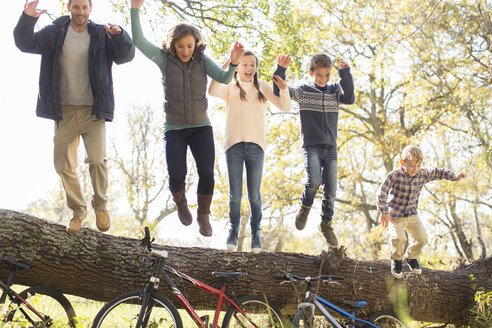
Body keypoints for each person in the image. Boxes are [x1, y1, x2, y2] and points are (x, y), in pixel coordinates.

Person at [14, 0, 135, 234]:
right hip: (65, 110)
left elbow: (125, 56)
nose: (80, 11)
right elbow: (25, 43)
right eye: (76, 7)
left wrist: (120, 35)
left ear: (90, 9)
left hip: (93, 109)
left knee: (97, 160)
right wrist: (27, 18)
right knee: (62, 164)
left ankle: (100, 206)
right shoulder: (55, 32)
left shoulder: (101, 34)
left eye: (85, 7)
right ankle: (78, 211)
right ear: (69, 8)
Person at [130, 0, 244, 237]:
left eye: (189, 46)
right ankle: (181, 202)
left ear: (196, 44)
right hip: (174, 128)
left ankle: (203, 216)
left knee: (207, 172)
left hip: (201, 126)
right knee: (176, 174)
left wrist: (233, 62)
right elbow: (139, 42)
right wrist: (135, 9)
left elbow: (223, 78)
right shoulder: (164, 59)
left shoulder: (202, 60)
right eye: (180, 46)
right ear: (173, 46)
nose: (185, 51)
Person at [209, 51, 291, 253]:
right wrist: (230, 60)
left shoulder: (261, 87)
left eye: (252, 64)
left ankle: (256, 232)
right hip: (234, 145)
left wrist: (284, 89)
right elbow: (212, 89)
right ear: (238, 67)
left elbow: (284, 106)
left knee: (254, 195)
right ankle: (233, 230)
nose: (249, 68)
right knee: (235, 195)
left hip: (256, 147)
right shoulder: (230, 86)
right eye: (244, 64)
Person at [273, 54, 355, 247]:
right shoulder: (303, 91)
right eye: (319, 75)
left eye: (327, 75)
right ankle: (305, 206)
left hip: (331, 147)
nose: (323, 79)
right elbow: (280, 90)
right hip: (312, 146)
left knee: (332, 189)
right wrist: (280, 69)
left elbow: (349, 98)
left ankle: (326, 223)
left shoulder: (335, 89)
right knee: (314, 181)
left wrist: (345, 73)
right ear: (311, 72)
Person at [376, 145, 467, 279]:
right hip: (395, 215)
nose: (415, 169)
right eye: (412, 165)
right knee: (399, 238)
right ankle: (396, 259)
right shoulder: (395, 175)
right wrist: (384, 211)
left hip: (412, 214)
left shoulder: (422, 174)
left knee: (422, 238)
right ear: (403, 162)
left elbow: (438, 172)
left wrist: (454, 176)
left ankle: (411, 256)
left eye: (418, 165)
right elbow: (382, 191)